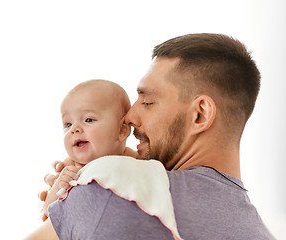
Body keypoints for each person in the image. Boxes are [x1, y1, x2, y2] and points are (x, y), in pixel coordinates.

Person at [28, 33, 276, 239]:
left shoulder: (114, 184)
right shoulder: (260, 234)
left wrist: (77, 197)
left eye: (147, 102)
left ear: (200, 114)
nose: (128, 117)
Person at [35, 79, 137, 221]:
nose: (74, 129)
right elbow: (47, 211)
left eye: (88, 120)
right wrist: (59, 185)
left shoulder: (134, 159)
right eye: (68, 124)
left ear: (122, 131)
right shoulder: (70, 168)